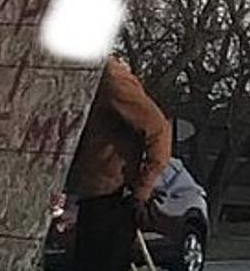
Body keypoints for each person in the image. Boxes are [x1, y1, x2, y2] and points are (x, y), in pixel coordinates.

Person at [64, 55, 173, 271]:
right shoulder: (79, 76)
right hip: (89, 195)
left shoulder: (111, 79)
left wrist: (142, 190)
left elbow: (158, 129)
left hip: (112, 197)